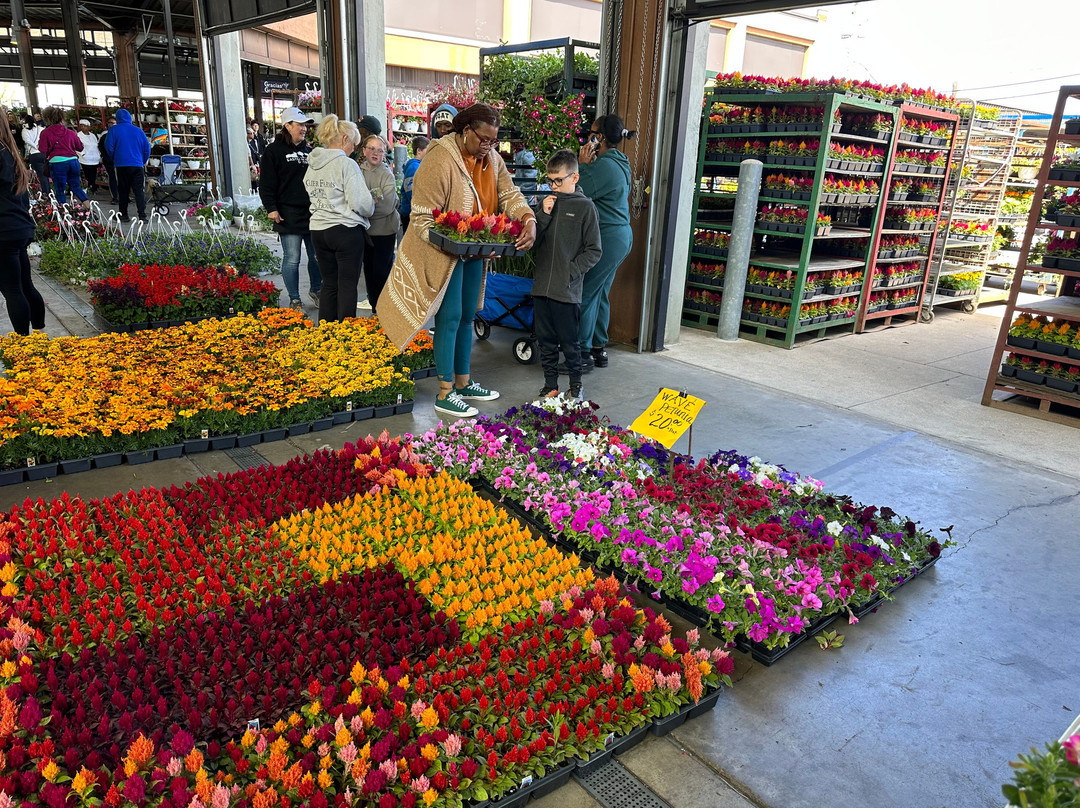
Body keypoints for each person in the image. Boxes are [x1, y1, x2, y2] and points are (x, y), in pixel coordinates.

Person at [380, 103, 536, 419]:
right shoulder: (439, 158)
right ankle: (445, 391)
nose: (490, 146)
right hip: (443, 254)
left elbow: (509, 195)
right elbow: (423, 217)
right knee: (449, 318)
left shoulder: (491, 159)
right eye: (484, 139)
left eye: (494, 140)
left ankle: (464, 382)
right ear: (465, 132)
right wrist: (451, 239)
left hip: (476, 250)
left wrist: (528, 218)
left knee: (467, 315)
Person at [532, 149, 602, 401]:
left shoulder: (586, 208)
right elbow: (533, 242)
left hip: (567, 291)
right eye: (550, 180)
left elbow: (594, 250)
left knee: (570, 344)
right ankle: (550, 384)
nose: (553, 185)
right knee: (545, 342)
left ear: (575, 177)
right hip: (541, 288)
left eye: (558, 180)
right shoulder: (546, 204)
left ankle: (576, 385)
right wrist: (543, 216)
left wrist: (570, 273)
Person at [575, 114, 635, 373]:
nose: (589, 136)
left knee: (587, 291)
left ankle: (582, 352)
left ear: (599, 138)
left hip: (608, 237)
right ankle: (599, 347)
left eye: (592, 132)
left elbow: (579, 189)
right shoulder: (620, 162)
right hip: (620, 236)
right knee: (600, 291)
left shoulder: (605, 166)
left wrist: (581, 163)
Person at [304, 114, 374, 323]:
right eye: (353, 143)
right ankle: (345, 334)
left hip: (318, 229)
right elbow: (361, 202)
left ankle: (326, 330)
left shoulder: (313, 163)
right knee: (347, 284)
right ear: (344, 139)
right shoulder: (346, 164)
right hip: (345, 230)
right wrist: (371, 205)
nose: (354, 148)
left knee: (329, 284)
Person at [260, 107, 322, 310]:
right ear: (287, 126)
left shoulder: (309, 151)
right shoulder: (273, 151)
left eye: (305, 125)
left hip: (311, 213)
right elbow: (266, 183)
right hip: (287, 213)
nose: (304, 129)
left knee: (316, 256)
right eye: (300, 125)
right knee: (292, 258)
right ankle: (294, 298)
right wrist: (271, 208)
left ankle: (317, 290)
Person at [0, 107, 46, 336]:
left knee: (12, 289)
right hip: (18, 227)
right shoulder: (9, 150)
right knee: (25, 285)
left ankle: (23, 344)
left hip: (5, 231)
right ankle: (38, 334)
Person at [358, 135, 400, 314]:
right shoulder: (356, 171)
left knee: (381, 270)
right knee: (368, 269)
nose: (375, 153)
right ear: (364, 150)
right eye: (372, 148)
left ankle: (383, 308)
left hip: (384, 230)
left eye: (380, 150)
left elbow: (387, 205)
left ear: (384, 154)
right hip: (364, 231)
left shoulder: (386, 174)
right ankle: (374, 304)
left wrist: (362, 211)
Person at [103, 109, 151, 222]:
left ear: (117, 118)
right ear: (130, 118)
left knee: (123, 190)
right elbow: (147, 149)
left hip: (121, 165)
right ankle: (142, 216)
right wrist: (142, 161)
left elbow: (108, 147)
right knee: (139, 190)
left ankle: (123, 215)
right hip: (138, 165)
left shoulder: (113, 129)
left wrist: (115, 157)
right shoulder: (139, 131)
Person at [38, 107, 87, 206]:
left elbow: (42, 149)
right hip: (73, 162)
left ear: (47, 118)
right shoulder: (70, 132)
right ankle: (90, 210)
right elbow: (80, 148)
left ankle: (64, 214)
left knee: (60, 190)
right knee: (76, 187)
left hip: (57, 163)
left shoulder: (45, 133)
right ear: (62, 118)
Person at [400, 136, 429, 234]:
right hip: (410, 213)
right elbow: (410, 190)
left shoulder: (418, 165)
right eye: (427, 150)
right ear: (419, 151)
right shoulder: (414, 167)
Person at [22, 115, 49, 196]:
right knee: (46, 174)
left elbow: (27, 140)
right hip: (43, 153)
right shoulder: (40, 128)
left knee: (41, 175)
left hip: (34, 154)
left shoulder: (24, 131)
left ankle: (46, 194)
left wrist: (34, 146)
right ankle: (49, 192)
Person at [76, 119, 102, 196]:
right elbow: (78, 146)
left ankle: (93, 187)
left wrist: (98, 154)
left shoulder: (93, 135)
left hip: (94, 158)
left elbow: (96, 145)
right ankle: (89, 187)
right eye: (81, 126)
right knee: (87, 174)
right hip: (85, 159)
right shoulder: (79, 135)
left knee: (93, 174)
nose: (83, 128)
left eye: (85, 126)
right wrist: (83, 154)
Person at [98, 116, 119, 204]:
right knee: (112, 178)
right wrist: (105, 157)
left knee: (122, 179)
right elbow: (100, 147)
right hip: (109, 161)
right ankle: (115, 197)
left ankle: (124, 196)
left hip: (120, 161)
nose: (110, 125)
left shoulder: (119, 134)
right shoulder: (105, 136)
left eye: (113, 123)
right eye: (109, 123)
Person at [246, 127, 260, 192]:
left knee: (256, 177)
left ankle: (256, 189)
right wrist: (252, 164)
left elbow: (257, 151)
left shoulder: (255, 142)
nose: (252, 134)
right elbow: (249, 155)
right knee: (251, 178)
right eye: (250, 133)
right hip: (249, 163)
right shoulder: (245, 143)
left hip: (255, 161)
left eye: (253, 133)